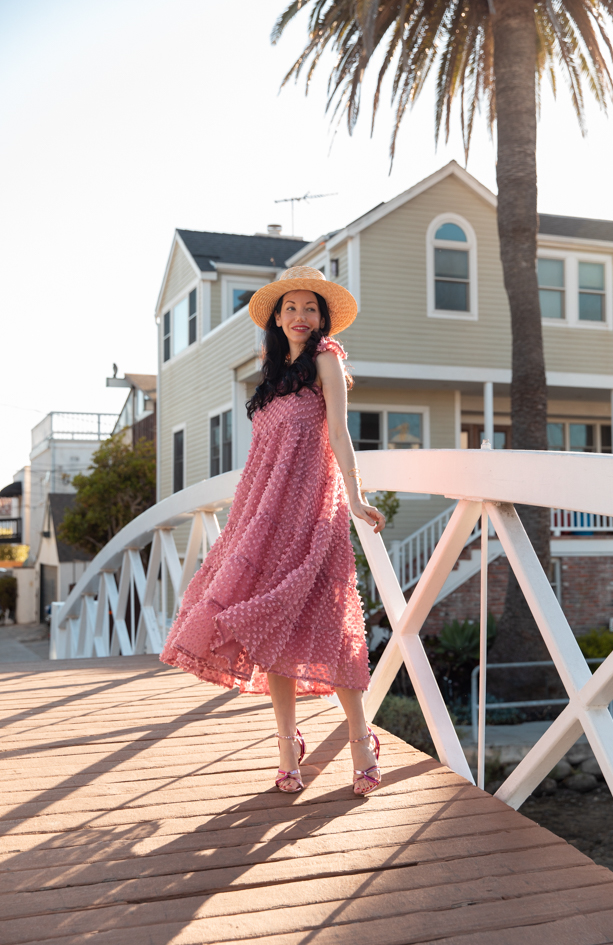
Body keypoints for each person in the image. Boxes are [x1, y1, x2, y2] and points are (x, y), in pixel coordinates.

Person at [161, 266, 386, 795]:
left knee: (331, 625)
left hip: (312, 510)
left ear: (322, 316)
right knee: (271, 625)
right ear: (277, 318)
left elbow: (338, 434)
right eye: (290, 308)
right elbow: (263, 453)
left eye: (310, 308)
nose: (300, 316)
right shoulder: (271, 369)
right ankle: (288, 746)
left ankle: (361, 739)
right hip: (264, 513)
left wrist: (356, 497)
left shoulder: (327, 359)